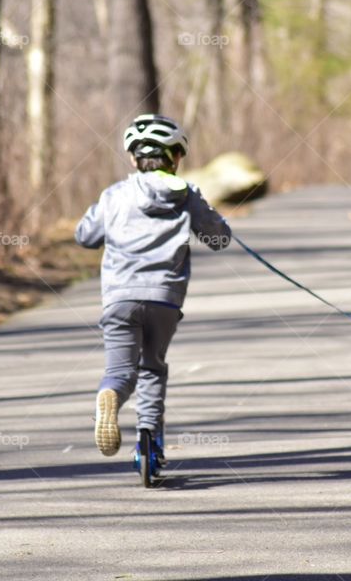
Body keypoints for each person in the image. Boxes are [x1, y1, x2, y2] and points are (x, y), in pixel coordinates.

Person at [75, 114, 232, 464]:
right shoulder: (186, 194)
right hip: (164, 298)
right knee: (152, 367)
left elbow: (85, 236)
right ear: (176, 158)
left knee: (121, 371)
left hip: (119, 298)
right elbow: (218, 239)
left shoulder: (114, 195)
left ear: (133, 158)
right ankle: (149, 445)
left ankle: (110, 393)